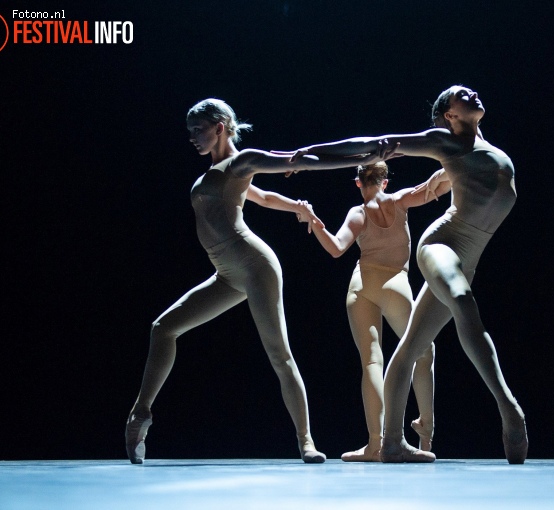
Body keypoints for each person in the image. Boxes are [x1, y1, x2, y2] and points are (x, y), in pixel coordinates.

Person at [124, 98, 389, 464]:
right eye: (189, 133)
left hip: (255, 265)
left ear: (219, 126)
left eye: (197, 130)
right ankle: (141, 414)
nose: (192, 138)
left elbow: (299, 161)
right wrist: (296, 206)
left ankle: (306, 440)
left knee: (279, 355)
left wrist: (359, 159)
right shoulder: (213, 174)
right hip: (227, 274)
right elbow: (261, 196)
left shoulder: (243, 160)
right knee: (163, 328)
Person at [287, 85, 528, 464]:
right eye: (461, 94)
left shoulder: (485, 149)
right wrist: (311, 157)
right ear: (448, 114)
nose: (474, 92)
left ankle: (393, 442)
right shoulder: (444, 142)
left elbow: (420, 190)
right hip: (442, 245)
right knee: (462, 303)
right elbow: (376, 144)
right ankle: (508, 408)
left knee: (410, 349)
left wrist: (435, 184)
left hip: (466, 257)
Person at [301, 161, 451, 461]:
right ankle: (426, 426)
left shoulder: (357, 214)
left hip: (361, 287)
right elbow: (439, 185)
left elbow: (334, 248)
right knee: (423, 351)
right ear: (384, 181)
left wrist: (312, 219)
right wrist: (453, 161)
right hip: (395, 284)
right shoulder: (400, 200)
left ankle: (374, 443)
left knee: (371, 362)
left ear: (358, 183)